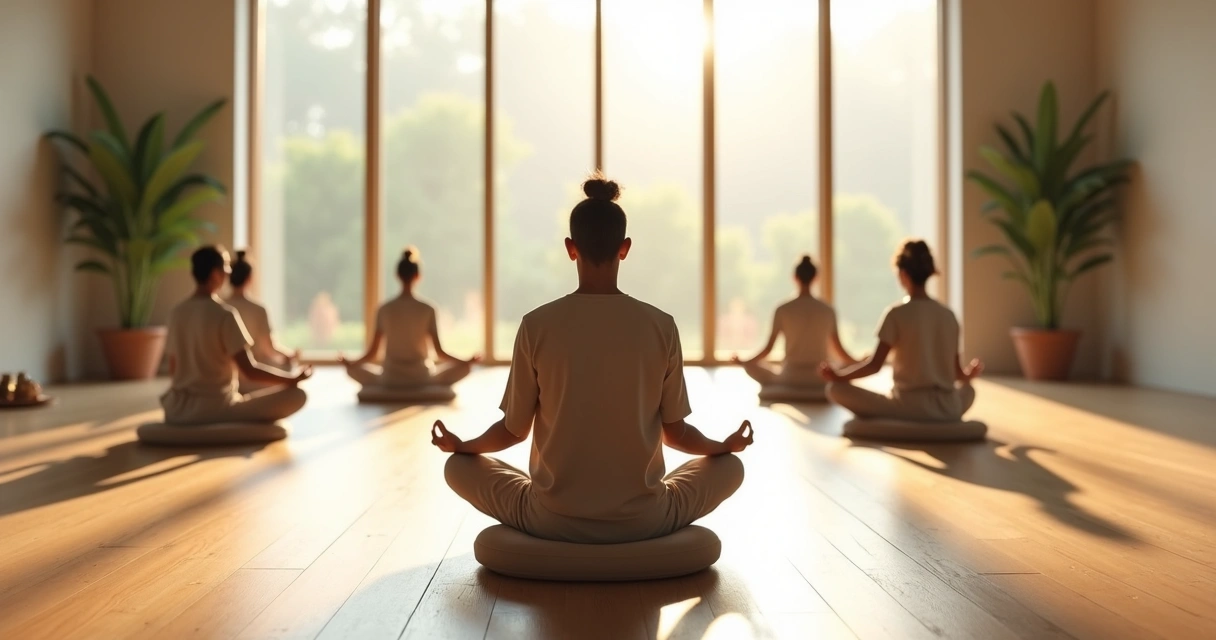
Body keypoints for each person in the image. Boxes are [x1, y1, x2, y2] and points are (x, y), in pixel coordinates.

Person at [433, 175, 752, 544]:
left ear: (571, 248)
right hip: (645, 519)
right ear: (625, 248)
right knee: (730, 467)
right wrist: (724, 446)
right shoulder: (661, 325)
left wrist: (462, 445)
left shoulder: (537, 325)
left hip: (549, 518)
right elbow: (675, 433)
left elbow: (513, 430)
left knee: (458, 467)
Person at [819, 240, 983, 421]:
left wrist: (838, 376)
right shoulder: (949, 315)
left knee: (834, 389)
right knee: (969, 390)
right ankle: (943, 417)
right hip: (947, 406)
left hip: (907, 407)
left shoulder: (895, 313)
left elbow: (874, 365)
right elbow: (958, 374)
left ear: (903, 274)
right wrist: (969, 374)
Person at [161, 246, 312, 425]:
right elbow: (249, 370)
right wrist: (292, 379)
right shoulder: (224, 314)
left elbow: (173, 369)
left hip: (177, 409)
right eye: (226, 266)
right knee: (298, 395)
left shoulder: (176, 312)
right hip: (216, 408)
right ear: (215, 274)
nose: (229, 272)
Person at [340, 248, 479, 389]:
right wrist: (466, 362)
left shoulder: (384, 309)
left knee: (351, 370)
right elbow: (439, 352)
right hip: (422, 378)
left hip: (390, 378)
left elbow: (372, 353)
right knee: (465, 368)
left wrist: (351, 363)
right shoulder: (428, 309)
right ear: (418, 276)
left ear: (397, 275)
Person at [732, 254, 856, 389]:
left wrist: (745, 362)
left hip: (790, 377)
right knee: (847, 368)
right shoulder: (828, 310)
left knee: (751, 366)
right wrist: (859, 362)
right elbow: (840, 351)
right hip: (821, 377)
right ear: (816, 278)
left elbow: (768, 349)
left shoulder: (782, 309)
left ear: (795, 277)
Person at [224, 250, 299, 392]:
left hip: (229, 375)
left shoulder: (220, 306)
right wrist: (289, 356)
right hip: (253, 375)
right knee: (291, 372)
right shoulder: (257, 309)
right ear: (250, 278)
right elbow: (269, 348)